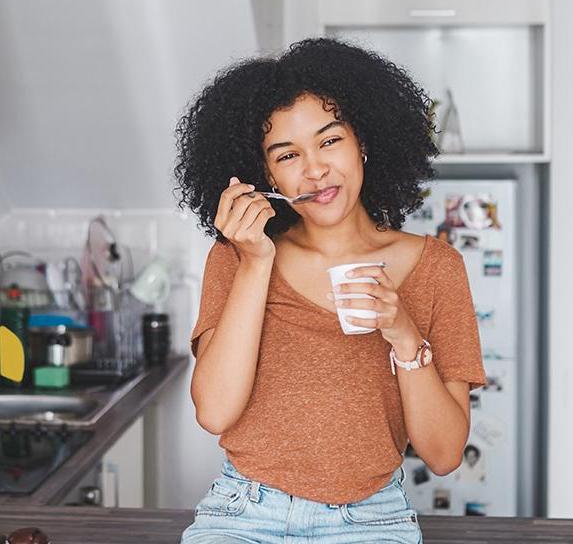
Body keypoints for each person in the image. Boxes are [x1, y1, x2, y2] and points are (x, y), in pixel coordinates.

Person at [174, 37, 487, 543]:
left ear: (362, 140)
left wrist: (403, 333)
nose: (314, 169)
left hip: (372, 519)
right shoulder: (236, 256)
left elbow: (446, 454)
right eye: (287, 154)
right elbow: (214, 412)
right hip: (243, 514)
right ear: (266, 173)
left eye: (329, 141)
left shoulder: (437, 268)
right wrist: (256, 264)